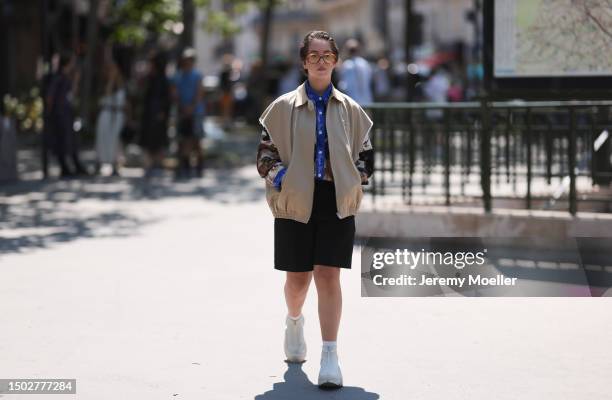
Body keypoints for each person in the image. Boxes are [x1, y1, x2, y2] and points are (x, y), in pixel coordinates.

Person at [256, 30, 374, 389]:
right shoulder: (281, 108)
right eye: (314, 56)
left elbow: (366, 157)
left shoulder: (352, 110)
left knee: (328, 276)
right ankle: (294, 321)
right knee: (297, 281)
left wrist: (355, 179)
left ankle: (330, 354)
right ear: (304, 63)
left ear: (336, 61)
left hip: (335, 201)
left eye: (327, 56)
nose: (321, 62)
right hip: (296, 201)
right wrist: (284, 178)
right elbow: (264, 157)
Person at [46, 52, 88, 178]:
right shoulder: (58, 78)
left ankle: (73, 165)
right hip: (59, 113)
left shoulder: (66, 77)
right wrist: (50, 112)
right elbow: (50, 97)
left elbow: (71, 94)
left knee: (70, 139)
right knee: (61, 139)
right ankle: (64, 166)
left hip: (67, 112)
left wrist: (76, 80)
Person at [171, 48, 205, 178]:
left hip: (196, 112)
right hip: (182, 112)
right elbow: (175, 93)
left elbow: (199, 93)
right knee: (183, 140)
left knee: (196, 140)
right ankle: (185, 167)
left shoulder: (197, 75)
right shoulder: (178, 75)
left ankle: (199, 167)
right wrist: (182, 107)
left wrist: (191, 107)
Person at [139, 52, 171, 176]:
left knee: (158, 139)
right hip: (148, 113)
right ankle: (150, 163)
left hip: (158, 113)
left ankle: (157, 163)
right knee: (148, 138)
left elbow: (165, 98)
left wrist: (163, 111)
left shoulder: (162, 79)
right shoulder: (150, 78)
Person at [95, 61, 126, 176]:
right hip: (106, 114)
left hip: (118, 115)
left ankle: (114, 163)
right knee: (102, 138)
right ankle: (100, 162)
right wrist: (111, 80)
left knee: (115, 140)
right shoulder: (104, 84)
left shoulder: (121, 84)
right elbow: (107, 94)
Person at [338, 38, 373, 105]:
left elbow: (343, 85)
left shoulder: (347, 65)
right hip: (367, 101)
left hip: (352, 104)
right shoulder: (365, 63)